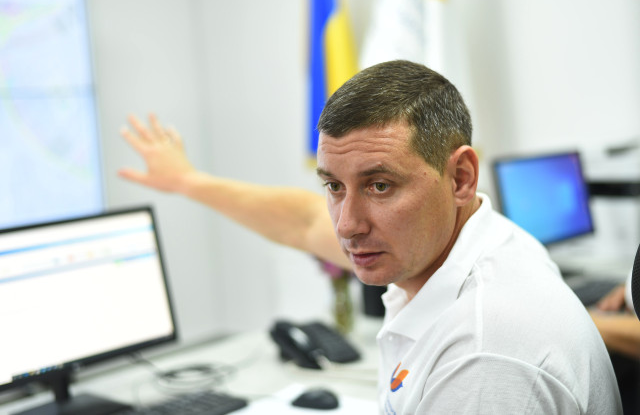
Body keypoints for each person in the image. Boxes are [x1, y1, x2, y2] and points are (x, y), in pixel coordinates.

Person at [120, 60, 622, 413]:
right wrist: (186, 181)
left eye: (380, 186)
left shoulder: (483, 356)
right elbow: (301, 222)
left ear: (460, 177)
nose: (346, 224)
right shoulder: (483, 240)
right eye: (334, 186)